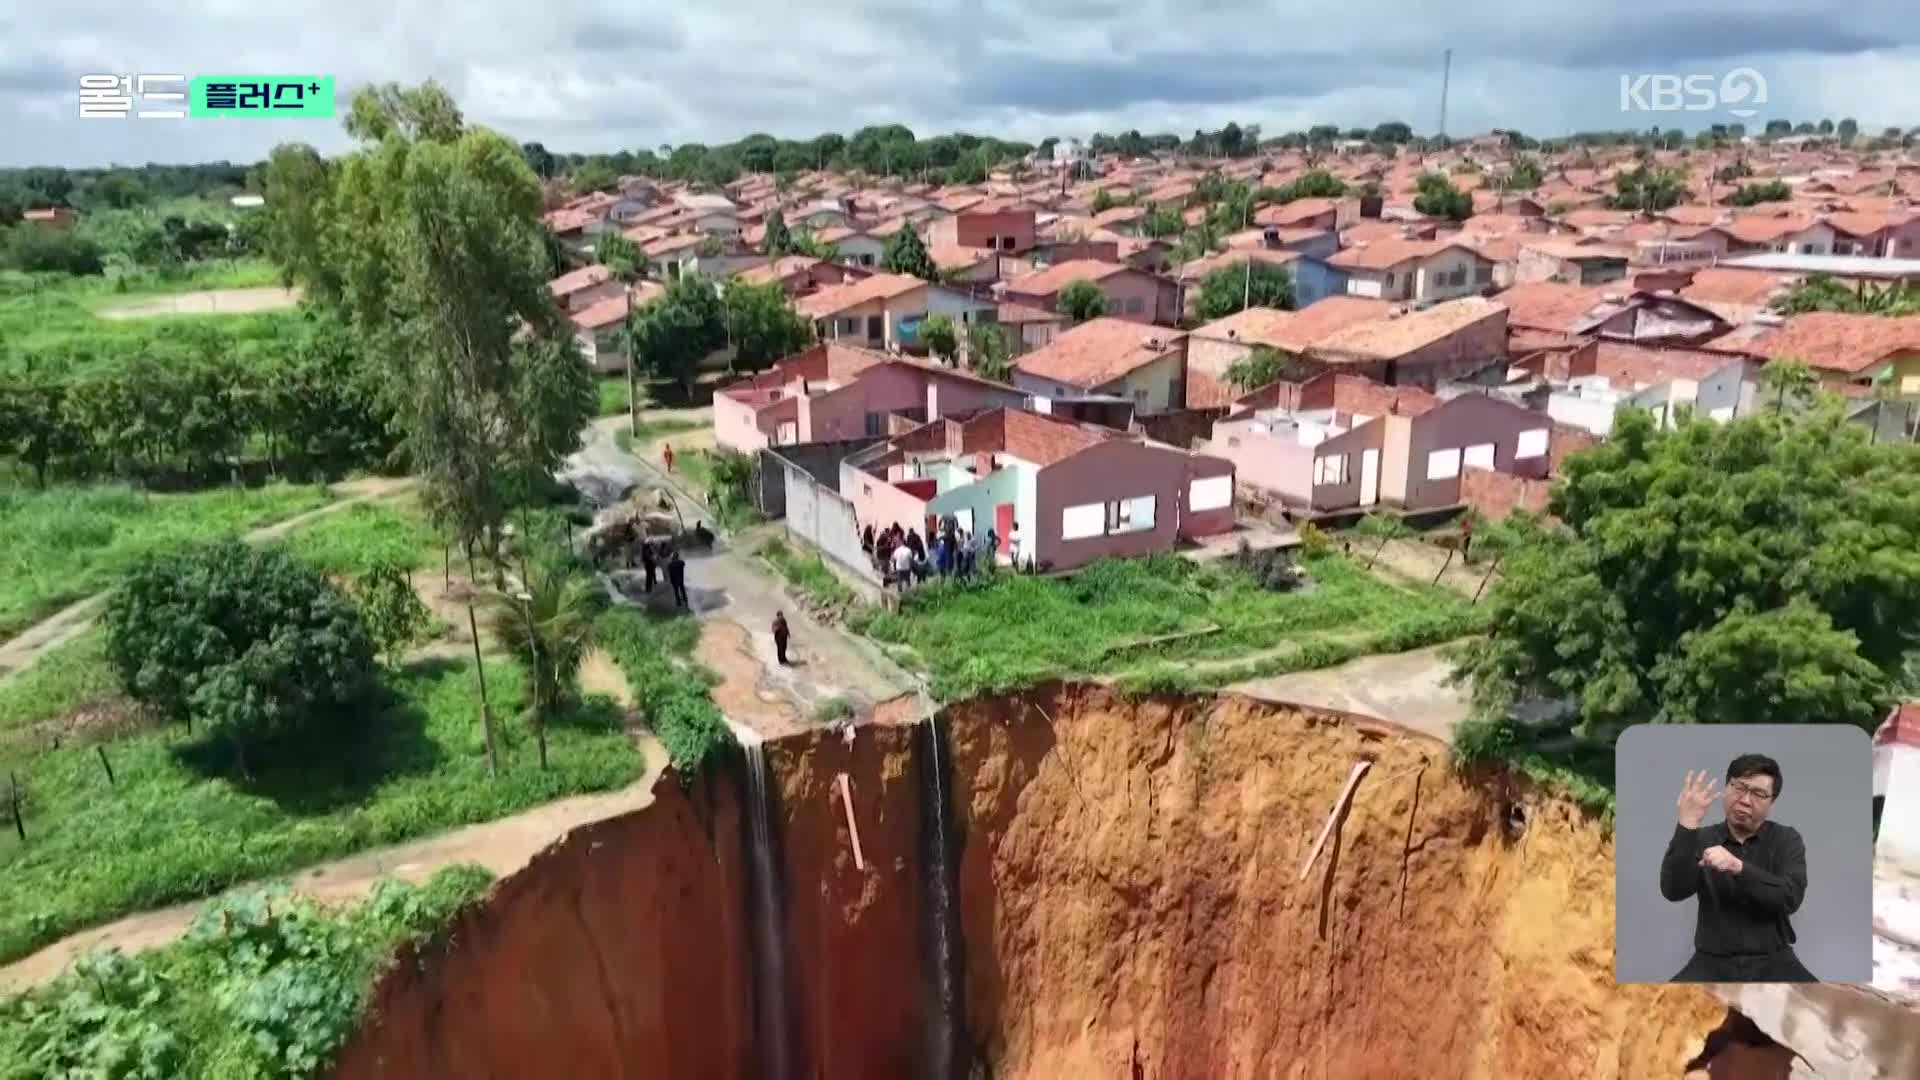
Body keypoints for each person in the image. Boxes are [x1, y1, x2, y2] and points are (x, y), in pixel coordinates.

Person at [1660, 754, 1817, 983]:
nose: (1745, 800)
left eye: (1758, 794)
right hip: (1711, 962)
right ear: (1726, 788)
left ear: (1772, 802)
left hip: (1774, 961)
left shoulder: (1786, 839)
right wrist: (1687, 823)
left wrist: (1738, 867)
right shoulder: (1702, 838)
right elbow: (1672, 890)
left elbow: (1790, 898)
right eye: (1739, 787)